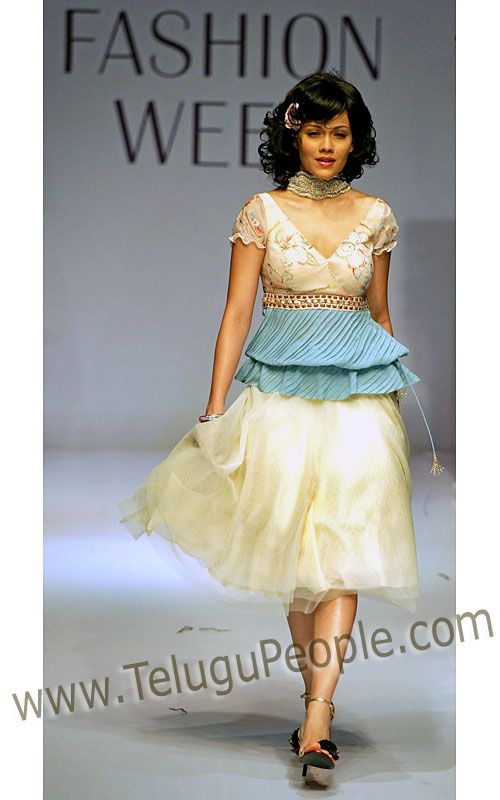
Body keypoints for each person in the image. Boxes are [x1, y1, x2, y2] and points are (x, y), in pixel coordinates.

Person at [118, 70, 443, 777]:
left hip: (359, 403)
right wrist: (214, 407)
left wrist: (394, 399)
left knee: (346, 551)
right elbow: (237, 312)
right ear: (292, 134)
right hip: (281, 402)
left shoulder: (377, 217)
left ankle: (318, 718)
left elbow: (379, 313)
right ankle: (312, 699)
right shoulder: (261, 212)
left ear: (356, 141)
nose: (326, 145)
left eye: (340, 133)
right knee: (301, 561)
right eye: (315, 130)